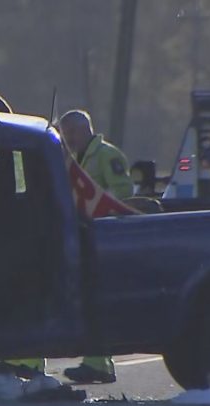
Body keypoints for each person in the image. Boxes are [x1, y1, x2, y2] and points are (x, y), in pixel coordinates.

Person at [0, 94, 50, 382]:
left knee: (20, 298)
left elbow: (6, 192)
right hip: (18, 232)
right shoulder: (16, 144)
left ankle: (26, 361)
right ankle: (14, 358)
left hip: (19, 234)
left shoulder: (12, 148)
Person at [58, 109, 134, 384]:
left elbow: (124, 192)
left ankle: (97, 363)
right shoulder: (76, 158)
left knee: (95, 299)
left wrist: (96, 208)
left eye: (70, 134)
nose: (68, 140)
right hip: (85, 237)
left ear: (83, 129)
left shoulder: (106, 155)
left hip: (104, 237)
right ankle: (98, 363)